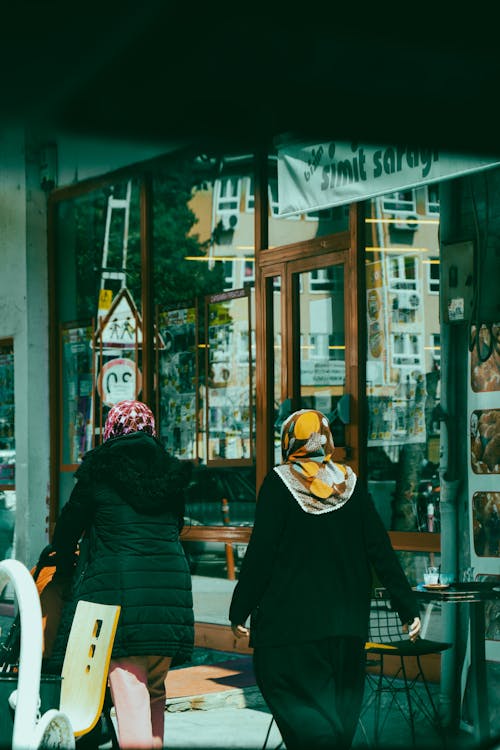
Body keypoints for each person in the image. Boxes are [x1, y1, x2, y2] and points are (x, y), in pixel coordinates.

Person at [229, 408, 421, 750]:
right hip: (347, 631)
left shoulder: (279, 482)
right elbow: (380, 548)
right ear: (327, 439)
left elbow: (261, 555)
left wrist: (239, 609)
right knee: (337, 723)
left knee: (308, 724)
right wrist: (407, 607)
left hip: (289, 634)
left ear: (290, 441)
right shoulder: (350, 482)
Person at [48, 399, 194, 749]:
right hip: (170, 597)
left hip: (118, 600)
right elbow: (176, 526)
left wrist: (64, 563)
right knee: (154, 692)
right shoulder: (170, 474)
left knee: (129, 692)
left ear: (111, 429)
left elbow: (66, 532)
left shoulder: (99, 470)